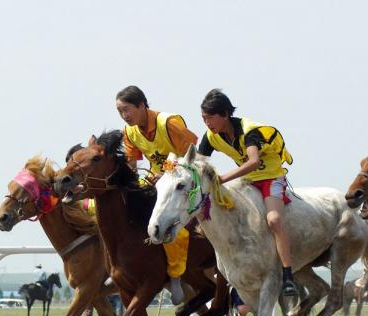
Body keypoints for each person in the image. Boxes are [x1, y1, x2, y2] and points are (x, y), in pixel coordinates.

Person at [197, 89, 298, 297]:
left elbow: (254, 162)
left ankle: (288, 276)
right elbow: (197, 163)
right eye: (203, 118)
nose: (207, 123)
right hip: (247, 181)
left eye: (210, 118)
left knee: (274, 220)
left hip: (271, 177)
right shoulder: (211, 137)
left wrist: (222, 179)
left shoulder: (249, 130)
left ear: (225, 114)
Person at [116, 85, 199, 304]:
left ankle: (175, 277)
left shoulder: (168, 122)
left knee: (170, 224)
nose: (124, 116)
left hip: (184, 180)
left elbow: (191, 150)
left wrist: (165, 174)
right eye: (120, 112)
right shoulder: (129, 132)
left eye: (127, 110)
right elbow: (132, 165)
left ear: (142, 105)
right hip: (156, 180)